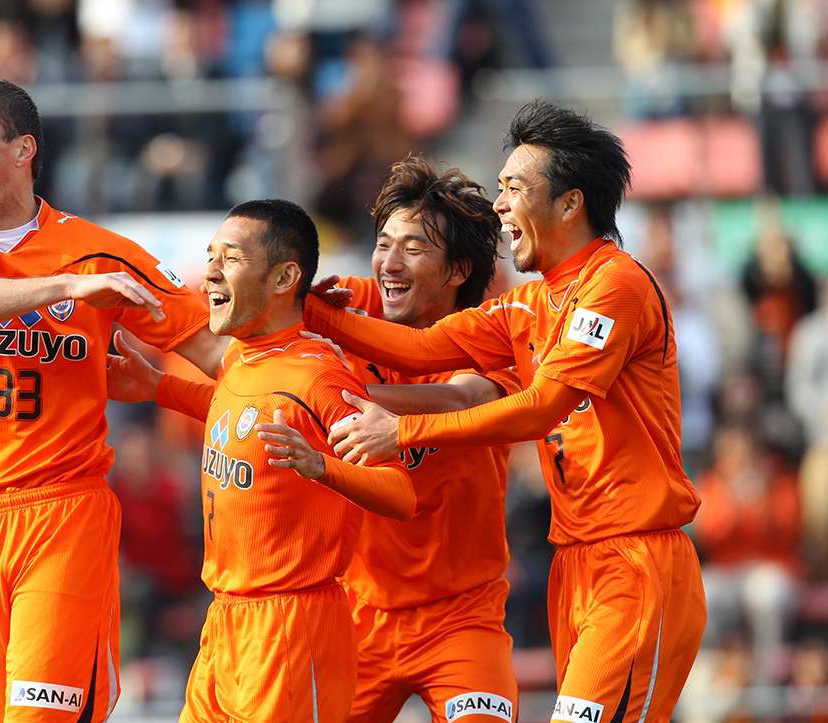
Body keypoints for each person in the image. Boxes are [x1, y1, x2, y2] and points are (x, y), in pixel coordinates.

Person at [309, 101, 706, 722]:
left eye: (514, 188)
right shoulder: (529, 304)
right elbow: (420, 347)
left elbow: (541, 408)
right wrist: (304, 309)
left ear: (570, 204)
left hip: (635, 558)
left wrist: (403, 430)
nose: (498, 205)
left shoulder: (615, 285)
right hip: (573, 560)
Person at [0, 79, 224, 722]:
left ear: (24, 149)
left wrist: (291, 351)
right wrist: (66, 287)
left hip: (62, 513)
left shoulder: (100, 252)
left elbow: (220, 354)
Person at [107, 199, 416, 722]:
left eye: (230, 258)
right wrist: (158, 387)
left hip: (292, 628)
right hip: (224, 622)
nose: (210, 271)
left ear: (284, 278)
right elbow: (244, 413)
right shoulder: (241, 357)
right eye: (210, 255)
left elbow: (400, 492)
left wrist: (321, 466)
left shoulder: (320, 376)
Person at [333, 156, 520, 722]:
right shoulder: (353, 314)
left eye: (413, 249)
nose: (390, 263)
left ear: (457, 270)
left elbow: (466, 400)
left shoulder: (495, 338)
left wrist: (342, 394)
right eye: (383, 244)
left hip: (461, 619)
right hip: (358, 615)